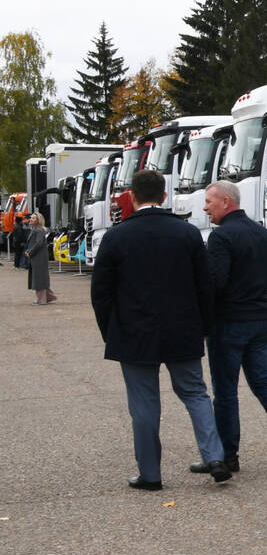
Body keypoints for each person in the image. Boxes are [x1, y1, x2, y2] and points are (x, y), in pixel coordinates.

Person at [90, 168, 230, 490]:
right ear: (165, 196)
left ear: (132, 197)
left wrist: (110, 331)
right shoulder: (188, 234)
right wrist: (204, 325)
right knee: (195, 393)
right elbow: (204, 285)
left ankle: (151, 474)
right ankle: (215, 457)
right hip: (182, 328)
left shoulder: (116, 237)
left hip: (133, 332)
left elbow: (101, 293)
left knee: (144, 404)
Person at [192, 180, 267, 476]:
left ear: (226, 202)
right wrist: (254, 290)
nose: (205, 208)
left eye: (209, 202)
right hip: (260, 318)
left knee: (226, 391)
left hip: (229, 322)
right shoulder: (262, 232)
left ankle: (227, 456)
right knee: (262, 382)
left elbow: (216, 283)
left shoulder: (221, 237)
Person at [25, 213, 55, 305]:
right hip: (37, 256)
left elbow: (38, 243)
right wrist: (29, 250)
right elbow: (35, 243)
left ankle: (41, 300)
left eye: (33, 218)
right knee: (40, 276)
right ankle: (49, 297)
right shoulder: (36, 229)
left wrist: (30, 252)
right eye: (31, 218)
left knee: (38, 277)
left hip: (39, 257)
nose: (31, 219)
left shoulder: (38, 230)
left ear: (38, 220)